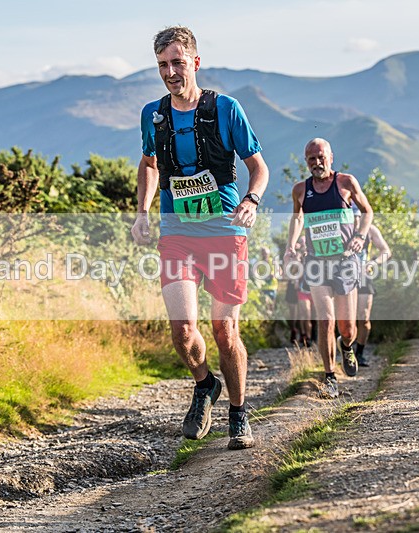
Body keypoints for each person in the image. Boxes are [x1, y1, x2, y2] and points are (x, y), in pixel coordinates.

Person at [131, 26, 269, 450]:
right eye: (162, 66)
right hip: (177, 233)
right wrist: (141, 212)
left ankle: (239, 413)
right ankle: (205, 384)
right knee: (183, 330)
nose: (170, 72)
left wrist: (251, 200)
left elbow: (258, 167)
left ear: (195, 61)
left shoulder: (226, 108)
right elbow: (150, 165)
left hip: (225, 233)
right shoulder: (153, 115)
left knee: (224, 330)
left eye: (176, 62)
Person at [284, 138, 372, 397]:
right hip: (316, 263)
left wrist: (360, 236)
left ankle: (348, 347)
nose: (317, 162)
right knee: (326, 320)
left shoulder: (346, 182)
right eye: (312, 158)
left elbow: (367, 212)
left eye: (321, 157)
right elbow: (297, 217)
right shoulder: (300, 189)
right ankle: (330, 376)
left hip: (345, 261)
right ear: (306, 161)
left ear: (331, 157)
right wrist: (290, 245)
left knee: (347, 327)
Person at [353, 206, 391, 366]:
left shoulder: (370, 230)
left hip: (364, 277)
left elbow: (386, 251)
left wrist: (374, 262)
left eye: (357, 217)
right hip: (343, 277)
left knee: (364, 316)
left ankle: (359, 353)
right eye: (352, 217)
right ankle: (346, 350)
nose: (355, 222)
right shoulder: (340, 229)